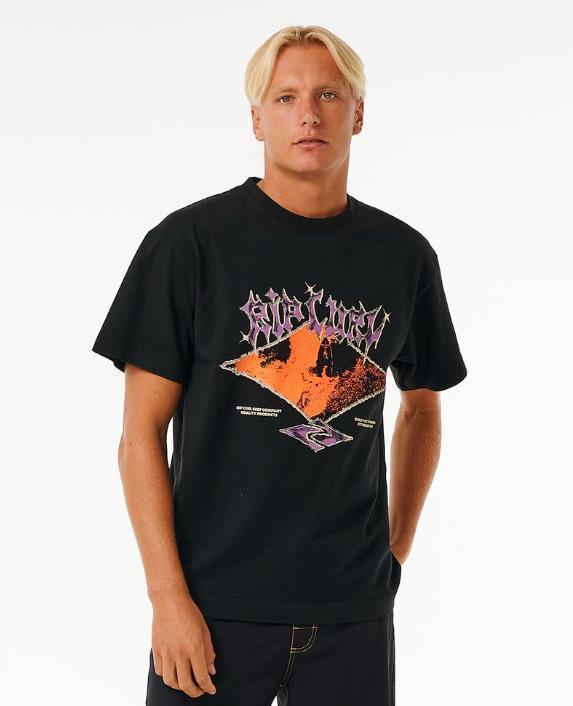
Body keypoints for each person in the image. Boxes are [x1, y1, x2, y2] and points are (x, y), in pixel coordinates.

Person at [92, 24, 467, 706]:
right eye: (286, 97)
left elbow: (422, 406)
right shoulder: (189, 244)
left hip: (352, 615)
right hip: (212, 608)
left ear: (358, 113)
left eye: (329, 94)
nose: (309, 114)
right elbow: (139, 435)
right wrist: (168, 599)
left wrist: (392, 555)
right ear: (256, 120)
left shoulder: (403, 256)